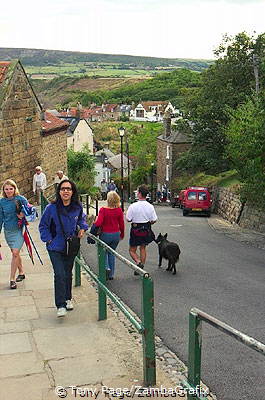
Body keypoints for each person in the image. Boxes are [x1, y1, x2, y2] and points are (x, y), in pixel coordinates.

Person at [39, 179, 88, 317]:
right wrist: (48, 240)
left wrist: (83, 228)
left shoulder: (77, 207)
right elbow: (43, 226)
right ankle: (60, 304)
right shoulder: (51, 208)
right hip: (55, 246)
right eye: (63, 189)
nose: (66, 191)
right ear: (59, 192)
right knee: (59, 274)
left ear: (73, 192)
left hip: (71, 245)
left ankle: (67, 298)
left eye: (68, 189)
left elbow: (81, 220)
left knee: (67, 273)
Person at [0, 179, 29, 289]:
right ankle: (21, 272)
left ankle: (12, 279)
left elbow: (31, 212)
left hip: (18, 231)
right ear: (4, 190)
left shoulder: (20, 199)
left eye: (11, 188)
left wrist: (23, 215)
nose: (8, 191)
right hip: (8, 231)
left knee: (15, 253)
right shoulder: (1, 202)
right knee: (15, 253)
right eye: (6, 189)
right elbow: (0, 218)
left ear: (14, 188)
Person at [89, 191, 124, 280]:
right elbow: (121, 223)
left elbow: (99, 222)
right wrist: (122, 234)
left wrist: (93, 226)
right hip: (116, 234)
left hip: (106, 234)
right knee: (111, 253)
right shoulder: (119, 210)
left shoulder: (103, 210)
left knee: (103, 252)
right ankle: (111, 274)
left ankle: (106, 268)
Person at [126, 184, 157, 275]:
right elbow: (154, 219)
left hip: (136, 229)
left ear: (139, 194)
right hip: (146, 229)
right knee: (143, 248)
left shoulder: (133, 206)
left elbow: (128, 219)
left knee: (132, 250)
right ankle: (142, 267)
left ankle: (138, 262)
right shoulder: (150, 206)